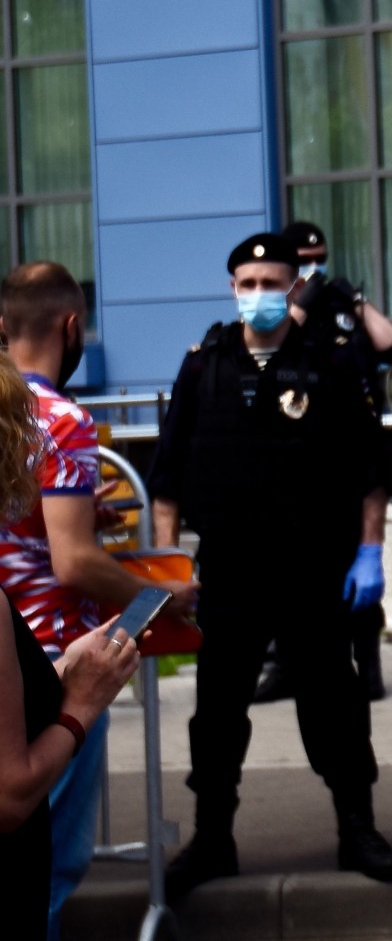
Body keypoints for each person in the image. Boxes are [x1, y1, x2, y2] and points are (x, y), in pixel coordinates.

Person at [148, 233, 392, 901]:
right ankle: (212, 839)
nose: (258, 293)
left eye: (272, 282)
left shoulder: (332, 361)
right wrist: (170, 568)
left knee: (335, 707)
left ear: (295, 287)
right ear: (231, 286)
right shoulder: (205, 364)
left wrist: (370, 550)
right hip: (229, 574)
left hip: (314, 570)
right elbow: (167, 479)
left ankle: (359, 828)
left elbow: (369, 470)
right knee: (217, 714)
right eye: (247, 282)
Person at [0, 263, 199, 939]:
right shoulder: (57, 419)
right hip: (47, 659)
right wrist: (162, 598)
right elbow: (73, 560)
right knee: (43, 867)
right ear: (71, 326)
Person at [0, 350, 141, 941]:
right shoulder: (66, 419)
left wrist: (54, 674)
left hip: (47, 651)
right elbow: (11, 794)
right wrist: (80, 705)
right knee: (61, 871)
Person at [250, 221, 392, 703]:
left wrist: (355, 301)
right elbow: (277, 342)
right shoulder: (282, 306)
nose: (314, 265)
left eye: (319, 255)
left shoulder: (338, 303)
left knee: (357, 573)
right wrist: (303, 297)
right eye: (304, 257)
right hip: (295, 453)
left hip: (353, 443)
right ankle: (283, 668)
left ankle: (369, 667)